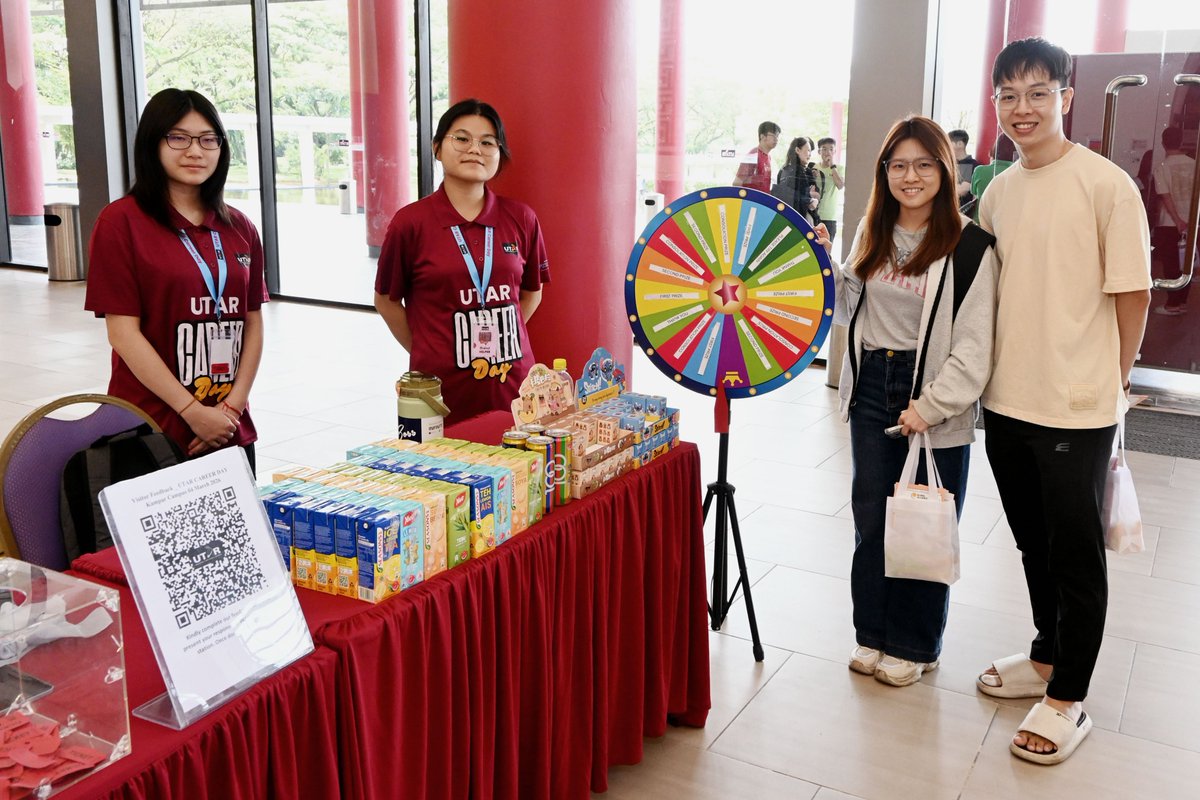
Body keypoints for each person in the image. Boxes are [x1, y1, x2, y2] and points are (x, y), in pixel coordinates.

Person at [977, 37, 1151, 766]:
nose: (1023, 108)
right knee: (1031, 541)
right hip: (1005, 401)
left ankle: (1068, 697)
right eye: (1009, 95)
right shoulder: (997, 192)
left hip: (1076, 407)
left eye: (1037, 93)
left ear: (1066, 98)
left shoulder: (1107, 185)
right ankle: (1047, 655)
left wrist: (1114, 382)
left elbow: (1132, 294)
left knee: (1075, 556)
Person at [827, 115, 996, 688]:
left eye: (924, 164)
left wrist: (933, 404)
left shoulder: (970, 246)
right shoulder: (871, 230)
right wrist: (829, 268)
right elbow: (850, 310)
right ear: (884, 172)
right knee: (872, 517)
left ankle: (915, 643)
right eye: (898, 165)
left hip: (931, 394)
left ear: (945, 171)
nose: (910, 176)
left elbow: (975, 347)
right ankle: (872, 632)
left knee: (924, 522)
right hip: (873, 384)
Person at [85, 88, 265, 470]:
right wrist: (191, 410)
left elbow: (252, 321)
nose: (195, 151)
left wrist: (232, 408)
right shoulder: (120, 222)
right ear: (152, 143)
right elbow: (123, 334)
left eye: (208, 139)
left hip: (227, 426)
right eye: (179, 138)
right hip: (151, 426)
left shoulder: (240, 227)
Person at [374, 98, 550, 425]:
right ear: (437, 148)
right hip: (437, 392)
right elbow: (386, 301)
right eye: (462, 138)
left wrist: (500, 339)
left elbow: (531, 293)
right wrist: (429, 349)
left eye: (487, 142)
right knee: (438, 459)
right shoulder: (410, 223)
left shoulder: (522, 218)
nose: (475, 149)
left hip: (513, 387)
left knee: (519, 458)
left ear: (499, 154)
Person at [1151, 126, 1195, 315]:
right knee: (1187, 262)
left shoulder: (1162, 167)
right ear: (1181, 142)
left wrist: (1177, 220)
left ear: (1163, 143)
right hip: (1192, 221)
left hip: (1169, 223)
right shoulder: (1195, 165)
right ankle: (1182, 301)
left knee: (1171, 264)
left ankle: (1173, 304)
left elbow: (1165, 195)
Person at [770, 136, 820, 224]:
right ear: (797, 150)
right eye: (808, 150)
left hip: (787, 217)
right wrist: (809, 200)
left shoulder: (784, 170)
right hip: (799, 219)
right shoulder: (796, 172)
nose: (810, 154)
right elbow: (790, 196)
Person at [969, 133, 1016, 222]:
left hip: (980, 223)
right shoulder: (1018, 173)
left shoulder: (979, 170)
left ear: (995, 148)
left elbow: (975, 199)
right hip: (1006, 224)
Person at [733, 121, 781, 193]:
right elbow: (737, 183)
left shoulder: (768, 157)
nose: (776, 139)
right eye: (773, 136)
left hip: (763, 199)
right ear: (762, 136)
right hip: (751, 199)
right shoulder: (753, 155)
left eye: (777, 136)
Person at [814, 137, 845, 240]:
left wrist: (832, 166)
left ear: (835, 151)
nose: (828, 152)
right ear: (819, 151)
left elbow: (840, 185)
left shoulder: (839, 168)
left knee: (827, 247)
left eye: (831, 149)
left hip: (830, 216)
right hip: (814, 214)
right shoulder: (814, 168)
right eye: (824, 149)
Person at [949, 129, 980, 214]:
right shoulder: (949, 163)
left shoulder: (972, 164)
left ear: (960, 144)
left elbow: (963, 190)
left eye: (949, 143)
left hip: (963, 214)